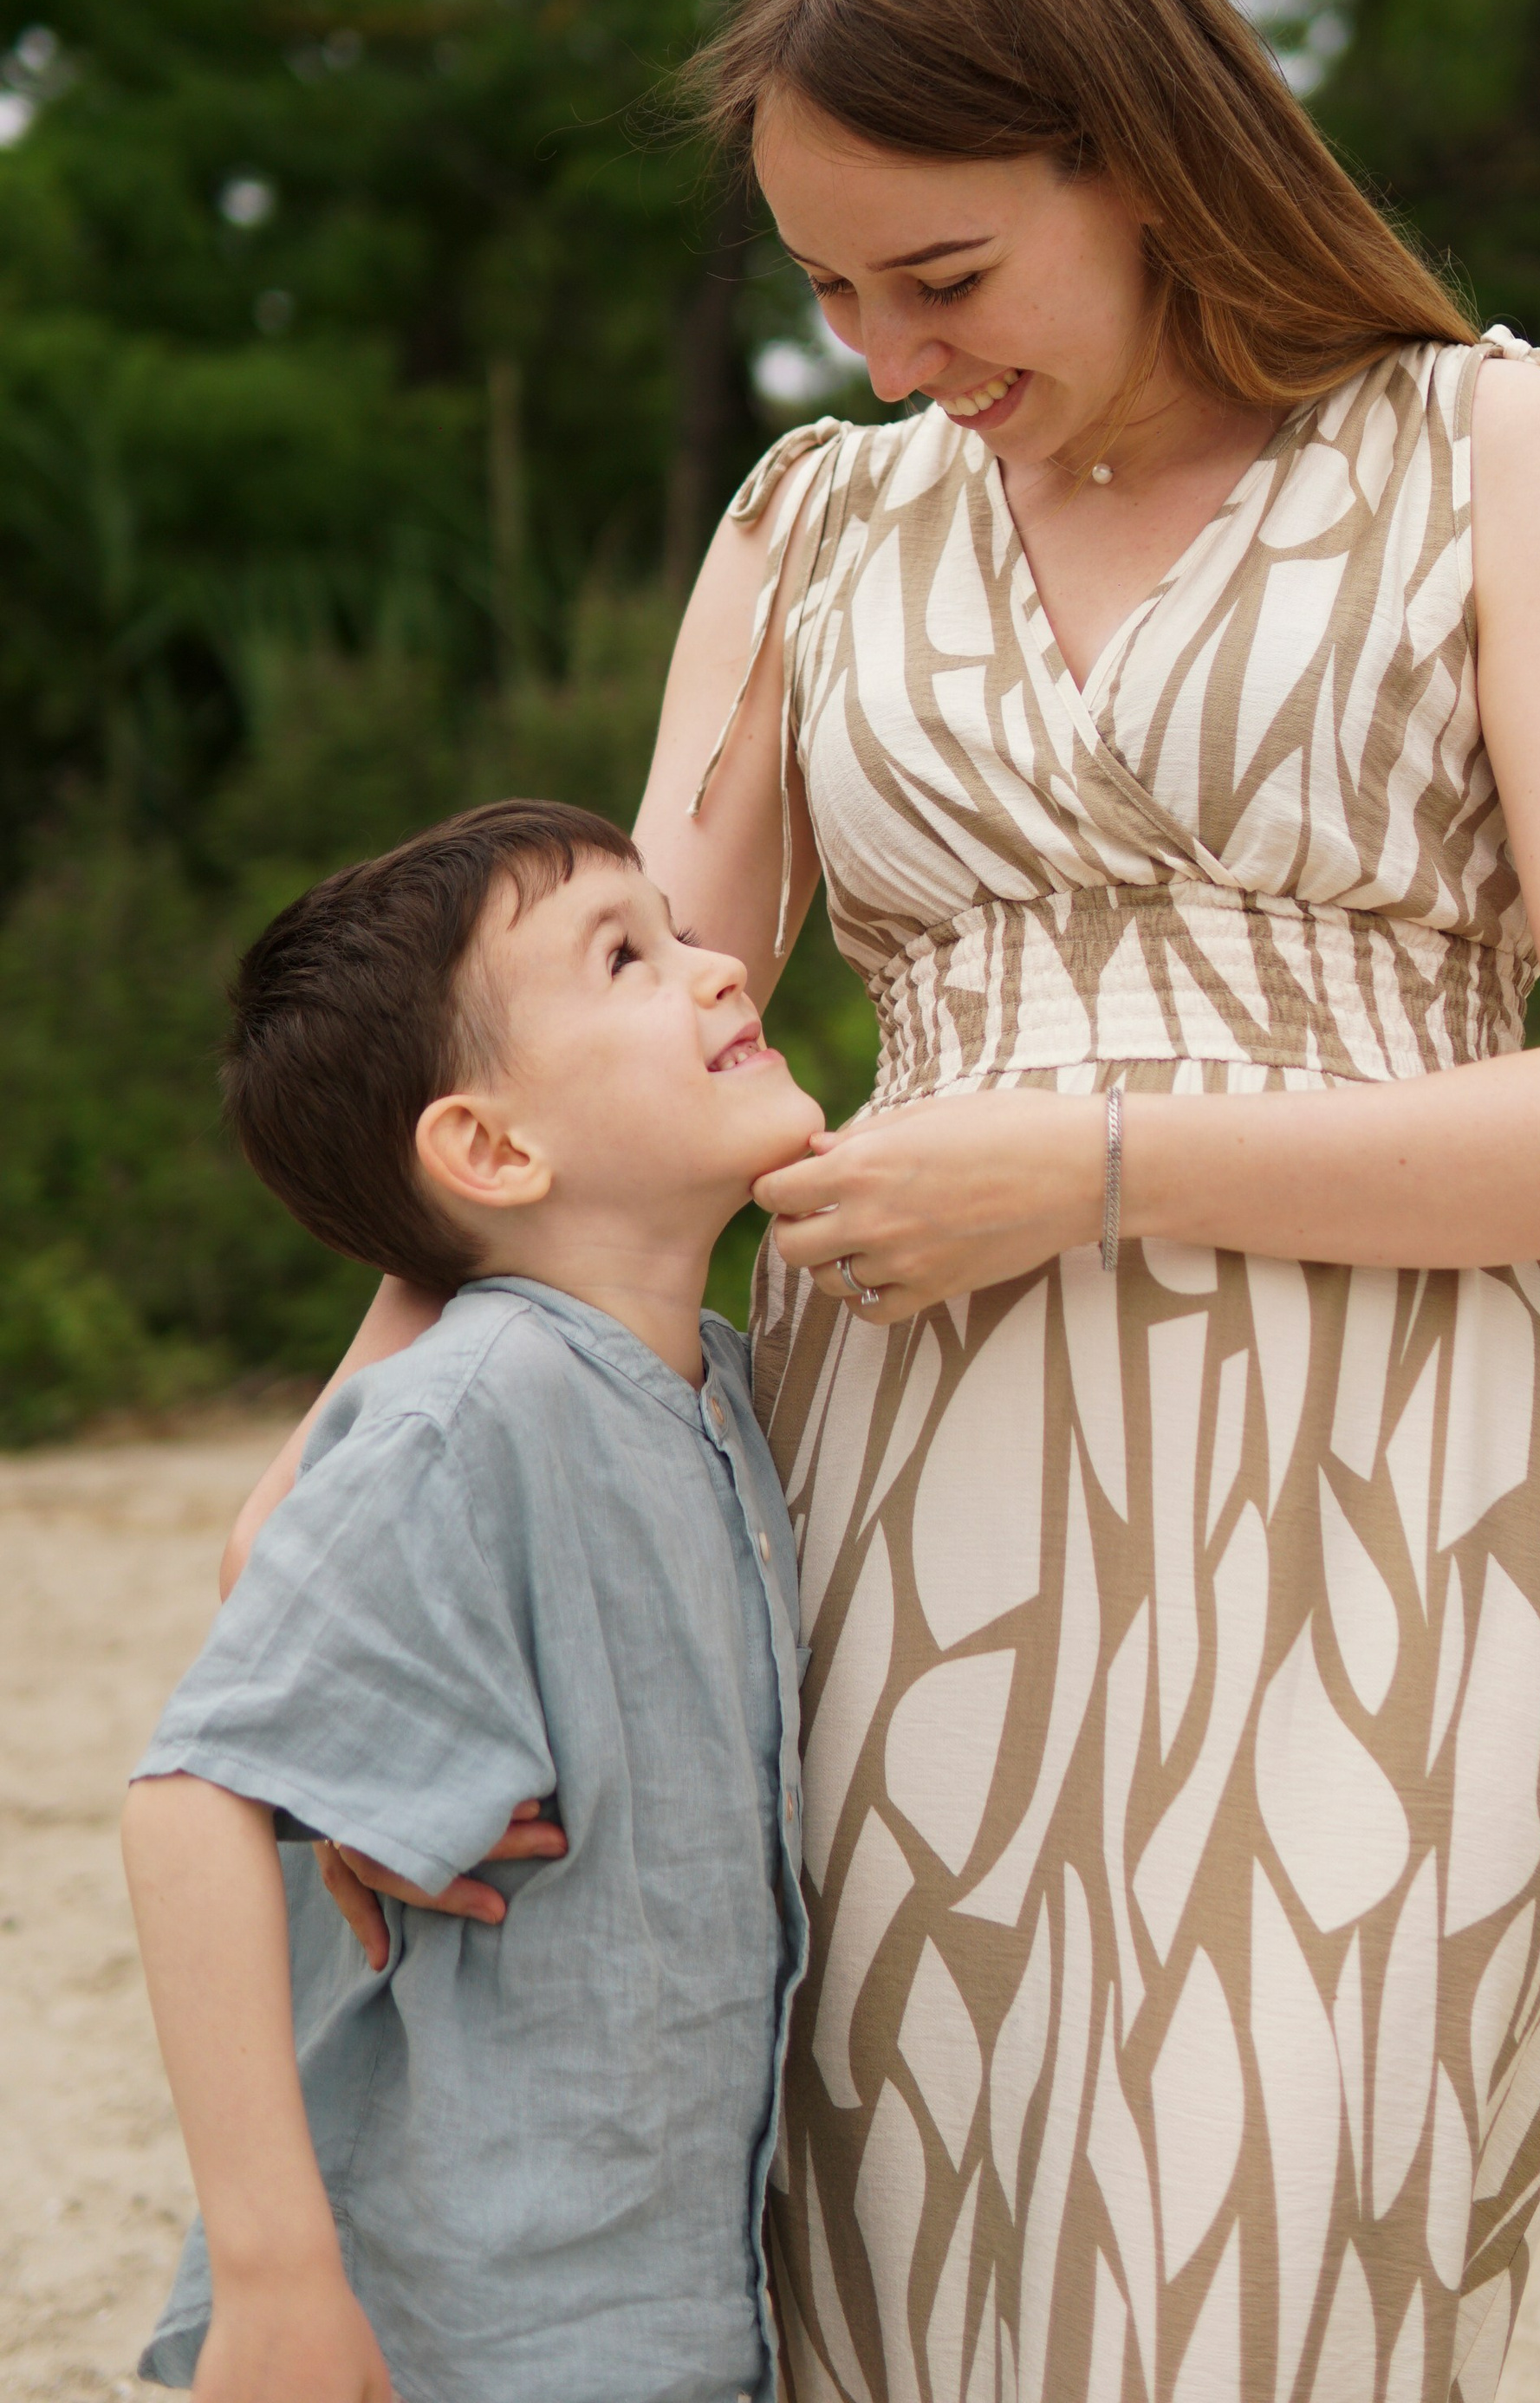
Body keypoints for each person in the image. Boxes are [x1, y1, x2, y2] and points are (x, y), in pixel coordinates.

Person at [219, 0, 1540, 2403]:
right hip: (900, 1532)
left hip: (1377, 1514)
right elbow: (592, 1059)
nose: (882, 356)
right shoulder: (816, 525)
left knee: (1273, 2257)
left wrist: (1102, 1165)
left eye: (939, 276)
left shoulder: (1490, 451)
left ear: (1137, 156)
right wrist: (345, 1471)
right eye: (827, 287)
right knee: (906, 2280)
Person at [123, 799, 818, 2403]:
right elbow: (190, 1801)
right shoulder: (473, 1409)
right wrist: (278, 2278)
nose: (719, 966)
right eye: (629, 958)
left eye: (680, 931)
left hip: (661, 2305)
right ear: (494, 1152)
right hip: (470, 2322)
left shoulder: (717, 1383)